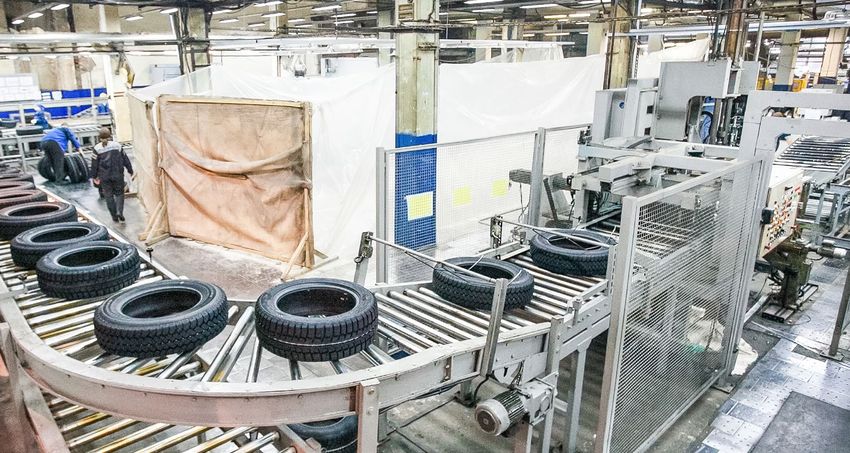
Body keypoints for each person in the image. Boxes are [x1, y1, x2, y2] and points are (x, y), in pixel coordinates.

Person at [91, 128, 133, 222]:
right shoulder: (117, 145)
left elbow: (94, 164)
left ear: (99, 137)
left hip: (104, 176)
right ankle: (119, 212)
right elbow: (125, 159)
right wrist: (130, 169)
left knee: (108, 196)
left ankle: (114, 217)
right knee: (119, 193)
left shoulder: (97, 148)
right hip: (118, 174)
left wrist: (94, 176)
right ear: (110, 136)